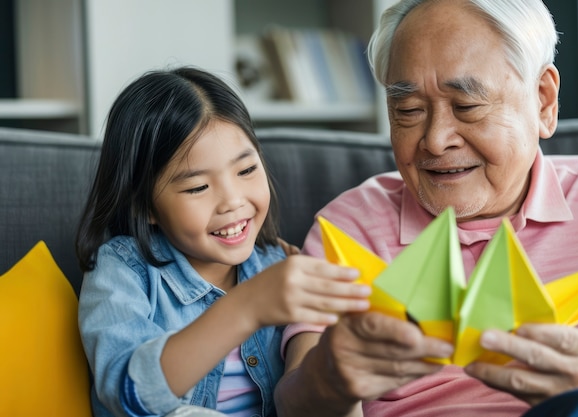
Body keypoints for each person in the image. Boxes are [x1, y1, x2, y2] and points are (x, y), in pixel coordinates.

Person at [273, 0, 578, 416]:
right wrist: (328, 377)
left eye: (467, 106)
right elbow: (293, 403)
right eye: (408, 111)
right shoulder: (351, 226)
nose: (436, 140)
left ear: (544, 101)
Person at [74, 67, 372, 417]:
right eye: (198, 187)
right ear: (145, 205)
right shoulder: (122, 272)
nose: (232, 201)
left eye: (246, 170)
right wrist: (246, 307)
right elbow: (130, 395)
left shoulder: (277, 266)